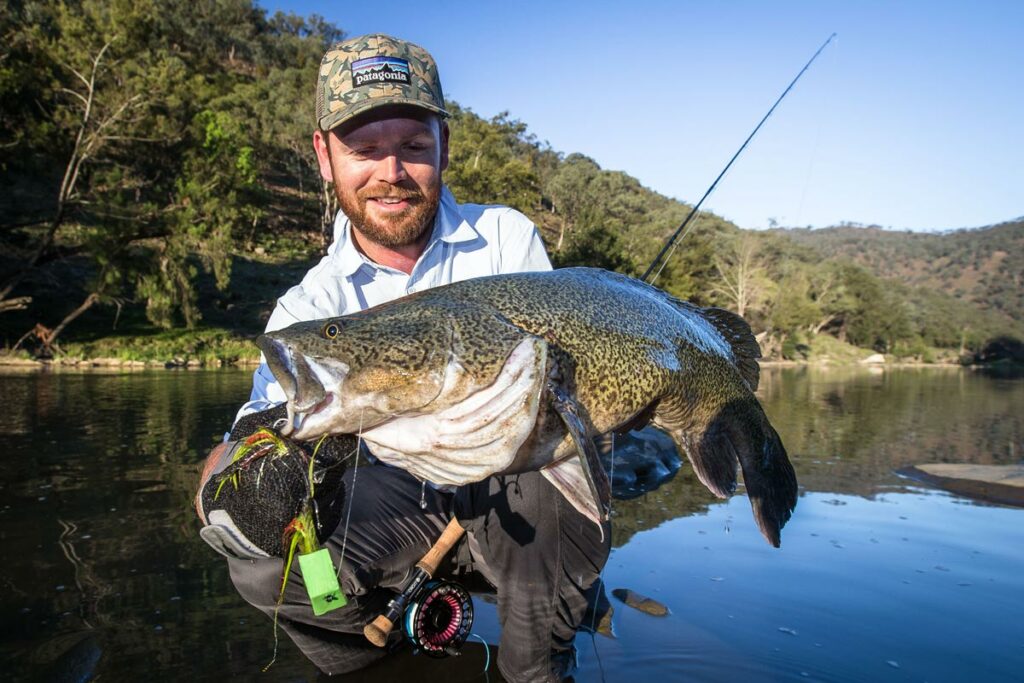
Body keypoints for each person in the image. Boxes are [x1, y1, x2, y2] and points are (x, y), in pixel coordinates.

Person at [194, 34, 609, 682]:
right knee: (265, 560)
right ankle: (374, 659)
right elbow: (227, 463)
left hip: (515, 512)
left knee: (548, 458)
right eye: (364, 148)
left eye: (414, 145)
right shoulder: (307, 308)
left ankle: (534, 664)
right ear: (324, 156)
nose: (391, 171)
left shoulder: (506, 239)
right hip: (394, 519)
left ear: (443, 142)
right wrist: (239, 489)